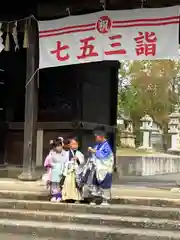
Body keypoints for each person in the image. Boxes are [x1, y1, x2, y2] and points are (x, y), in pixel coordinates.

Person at [87, 126, 114, 205]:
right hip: (97, 168)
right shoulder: (97, 145)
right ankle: (94, 199)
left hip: (105, 168)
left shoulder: (106, 146)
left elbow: (102, 155)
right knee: (95, 184)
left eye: (96, 136)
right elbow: (94, 155)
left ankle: (105, 200)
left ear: (100, 137)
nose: (95, 138)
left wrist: (94, 151)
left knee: (104, 185)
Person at [44, 138, 67, 202]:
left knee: (60, 183)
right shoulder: (52, 153)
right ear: (54, 147)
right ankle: (54, 196)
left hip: (62, 169)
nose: (58, 148)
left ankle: (59, 196)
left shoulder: (65, 153)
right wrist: (51, 165)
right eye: (56, 146)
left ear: (62, 146)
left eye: (59, 146)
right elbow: (48, 161)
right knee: (54, 183)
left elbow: (66, 162)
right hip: (54, 169)